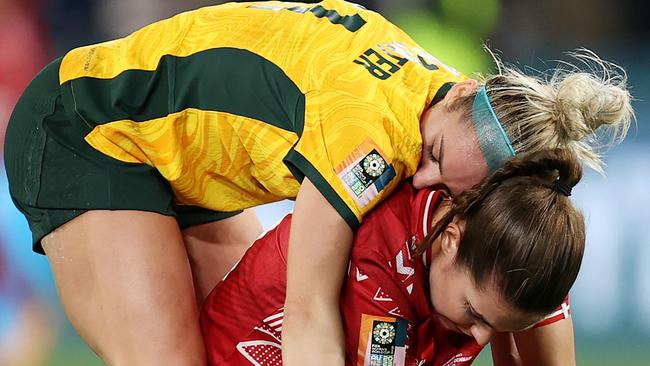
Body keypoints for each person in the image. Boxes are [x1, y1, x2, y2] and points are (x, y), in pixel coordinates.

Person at [3, 1, 632, 364]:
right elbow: (305, 315)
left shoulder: (465, 116)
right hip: (89, 131)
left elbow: (524, 276)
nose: (425, 176)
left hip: (187, 170)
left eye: (448, 182)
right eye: (432, 154)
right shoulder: (370, 141)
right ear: (464, 90)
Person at [201, 148, 584, 365]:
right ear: (450, 238)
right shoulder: (379, 271)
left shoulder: (518, 257)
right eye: (475, 312)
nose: (481, 336)